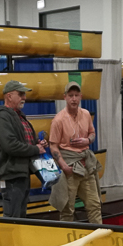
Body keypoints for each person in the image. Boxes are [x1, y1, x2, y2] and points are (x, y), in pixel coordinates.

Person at [0, 80, 48, 218]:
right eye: (21, 94)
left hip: (21, 175)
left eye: (24, 94)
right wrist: (36, 149)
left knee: (19, 217)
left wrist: (38, 143)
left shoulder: (19, 116)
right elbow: (11, 145)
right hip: (11, 176)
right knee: (13, 218)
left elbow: (23, 141)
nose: (24, 98)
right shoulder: (2, 117)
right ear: (9, 96)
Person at [48, 82, 102, 224]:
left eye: (76, 95)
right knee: (67, 209)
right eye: (70, 95)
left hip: (86, 166)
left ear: (81, 97)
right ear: (65, 97)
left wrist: (87, 140)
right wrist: (64, 166)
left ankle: (99, 238)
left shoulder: (86, 114)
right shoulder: (58, 120)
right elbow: (53, 146)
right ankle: (67, 241)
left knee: (94, 205)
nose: (73, 99)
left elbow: (92, 133)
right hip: (69, 167)